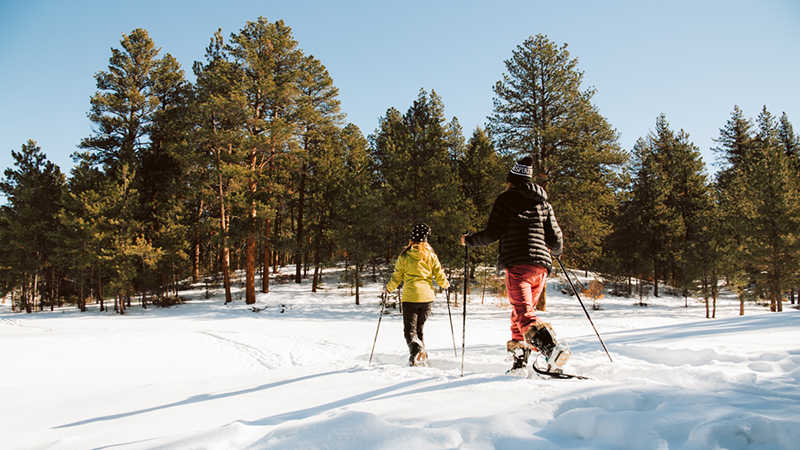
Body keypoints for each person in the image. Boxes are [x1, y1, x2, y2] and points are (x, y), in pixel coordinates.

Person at [461, 156, 564, 375]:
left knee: (525, 315)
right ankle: (519, 364)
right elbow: (556, 239)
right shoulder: (543, 202)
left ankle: (552, 349)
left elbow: (492, 234)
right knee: (519, 314)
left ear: (512, 180)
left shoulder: (506, 199)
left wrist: (468, 240)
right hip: (541, 268)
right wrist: (553, 252)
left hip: (518, 265)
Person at [385, 223, 450, 366]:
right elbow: (439, 274)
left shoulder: (405, 255)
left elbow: (397, 276)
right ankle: (419, 357)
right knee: (419, 328)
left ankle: (417, 352)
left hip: (411, 297)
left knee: (409, 330)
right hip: (427, 298)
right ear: (425, 239)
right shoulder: (431, 256)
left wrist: (389, 288)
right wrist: (445, 284)